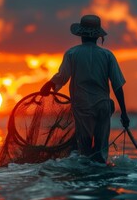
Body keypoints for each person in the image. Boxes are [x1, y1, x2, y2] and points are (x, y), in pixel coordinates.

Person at [40, 14, 130, 164]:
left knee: (85, 150)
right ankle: (100, 173)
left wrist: (49, 84)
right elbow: (117, 86)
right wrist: (124, 114)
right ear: (98, 37)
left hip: (82, 107)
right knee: (101, 150)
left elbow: (62, 77)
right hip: (103, 106)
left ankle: (87, 174)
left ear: (81, 35)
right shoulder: (107, 55)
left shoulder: (72, 53)